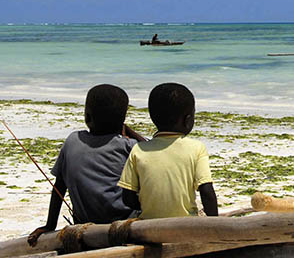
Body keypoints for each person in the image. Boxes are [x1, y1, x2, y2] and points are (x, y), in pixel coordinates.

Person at [28, 84, 144, 247]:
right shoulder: (129, 146)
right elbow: (154, 155)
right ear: (122, 119)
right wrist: (129, 131)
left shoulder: (72, 141)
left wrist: (50, 225)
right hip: (126, 225)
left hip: (85, 226)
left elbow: (59, 187)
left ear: (88, 117)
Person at [119, 83, 218, 219]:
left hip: (148, 228)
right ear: (188, 120)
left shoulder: (139, 149)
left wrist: (150, 206)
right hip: (185, 227)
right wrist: (214, 224)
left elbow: (127, 198)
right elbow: (207, 192)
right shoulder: (196, 148)